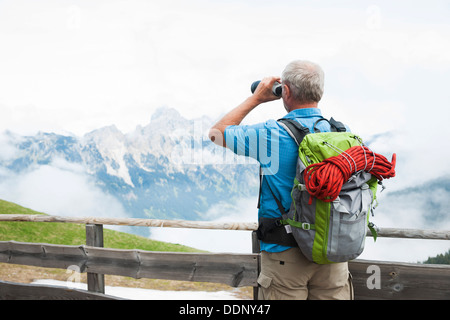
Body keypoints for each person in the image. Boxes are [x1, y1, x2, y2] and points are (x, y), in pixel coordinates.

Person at [208, 60, 353, 300]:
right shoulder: (342, 133)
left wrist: (257, 98)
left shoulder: (271, 134)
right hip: (333, 250)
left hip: (285, 252)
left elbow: (217, 133)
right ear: (321, 91)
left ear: (284, 91)